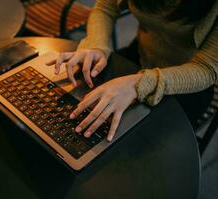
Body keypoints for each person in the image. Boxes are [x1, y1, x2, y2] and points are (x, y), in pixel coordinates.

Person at [47, 0, 218, 141]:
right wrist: (96, 45)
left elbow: (207, 68)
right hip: (139, 57)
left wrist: (139, 83)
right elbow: (105, 8)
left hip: (184, 87)